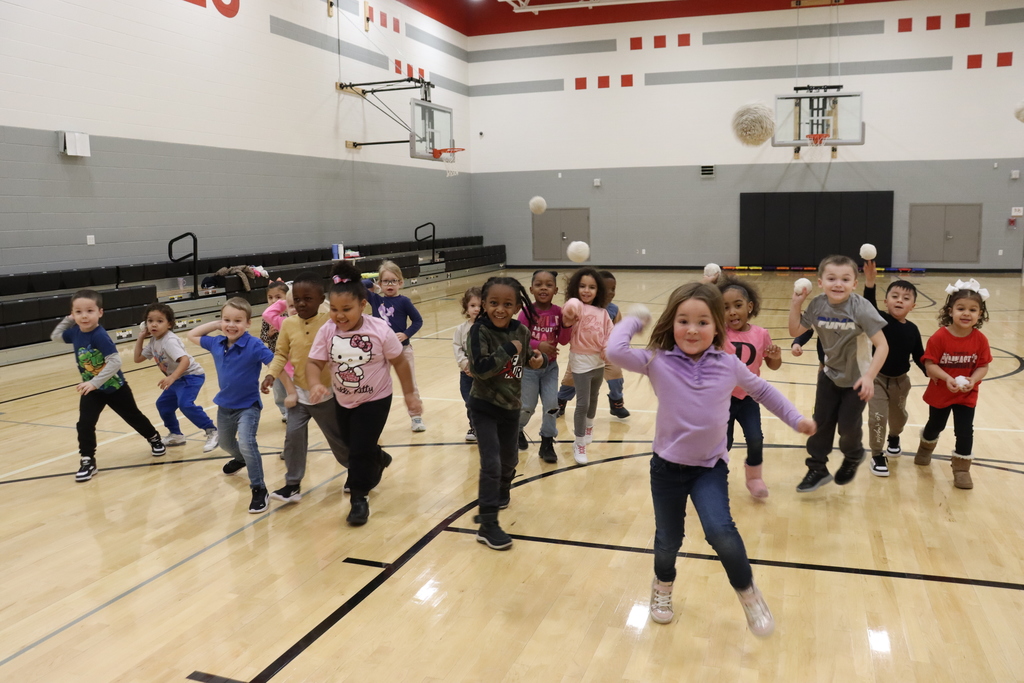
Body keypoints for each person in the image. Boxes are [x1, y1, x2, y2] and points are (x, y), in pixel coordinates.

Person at [607, 283, 815, 635]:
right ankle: (663, 587)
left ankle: (749, 595)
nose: (692, 329)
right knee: (668, 539)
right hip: (667, 470)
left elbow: (763, 391)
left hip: (709, 469)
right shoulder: (658, 361)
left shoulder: (728, 363)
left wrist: (796, 419)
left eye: (703, 322)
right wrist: (637, 319)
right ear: (672, 323)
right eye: (683, 320)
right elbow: (615, 350)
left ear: (718, 326)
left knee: (721, 531)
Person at [307, 263, 421, 526]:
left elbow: (400, 363)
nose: (339, 315)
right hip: (343, 399)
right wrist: (315, 384)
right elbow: (314, 363)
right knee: (351, 445)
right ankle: (378, 456)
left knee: (358, 450)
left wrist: (410, 395)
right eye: (334, 310)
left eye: (346, 309)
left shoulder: (379, 329)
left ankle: (359, 499)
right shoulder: (327, 330)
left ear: (363, 304)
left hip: (376, 399)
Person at [789, 255, 889, 492]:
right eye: (831, 278)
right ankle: (817, 468)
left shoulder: (861, 308)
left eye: (845, 279)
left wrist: (869, 377)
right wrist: (796, 304)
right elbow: (795, 329)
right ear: (821, 282)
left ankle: (854, 456)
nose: (838, 284)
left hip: (856, 381)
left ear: (855, 283)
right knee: (820, 425)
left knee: (848, 428)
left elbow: (883, 346)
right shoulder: (817, 305)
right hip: (829, 375)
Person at [51, 289, 166, 482]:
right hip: (92, 390)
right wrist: (68, 319)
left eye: (89, 311)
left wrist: (95, 382)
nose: (84, 316)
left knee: (133, 416)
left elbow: (115, 362)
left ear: (100, 313)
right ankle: (87, 460)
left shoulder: (99, 335)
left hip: (115, 388)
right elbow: (56, 336)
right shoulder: (75, 333)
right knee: (85, 424)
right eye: (78, 312)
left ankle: (154, 437)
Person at [467, 276, 546, 550]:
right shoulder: (479, 332)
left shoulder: (521, 331)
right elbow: (481, 368)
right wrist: (508, 349)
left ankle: (503, 488)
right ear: (485, 305)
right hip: (483, 407)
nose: (500, 309)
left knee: (509, 461)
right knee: (491, 463)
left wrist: (538, 359)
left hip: (511, 408)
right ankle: (487, 525)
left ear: (516, 308)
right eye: (493, 303)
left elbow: (526, 361)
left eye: (507, 304)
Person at [260, 272, 352, 504]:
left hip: (327, 394)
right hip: (299, 396)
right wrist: (271, 374)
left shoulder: (330, 322)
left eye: (307, 298)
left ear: (321, 298)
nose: (301, 304)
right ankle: (292, 484)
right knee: (293, 438)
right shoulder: (289, 324)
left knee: (338, 440)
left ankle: (357, 470)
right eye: (296, 299)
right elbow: (280, 354)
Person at [188, 298, 276, 513]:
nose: (231, 325)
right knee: (226, 443)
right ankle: (239, 459)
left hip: (248, 406)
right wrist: (219, 325)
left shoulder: (254, 344)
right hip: (225, 406)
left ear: (248, 323)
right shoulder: (217, 342)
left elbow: (273, 361)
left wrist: (270, 376)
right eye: (227, 319)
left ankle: (259, 488)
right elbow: (192, 335)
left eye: (238, 320)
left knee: (247, 442)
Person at [913, 279, 992, 489]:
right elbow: (930, 365)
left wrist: (973, 380)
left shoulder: (981, 340)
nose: (966, 313)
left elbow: (983, 366)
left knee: (965, 431)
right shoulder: (939, 337)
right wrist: (947, 378)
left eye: (973, 310)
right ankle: (925, 447)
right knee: (935, 426)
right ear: (950, 311)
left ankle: (962, 469)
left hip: (966, 395)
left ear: (980, 314)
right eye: (961, 308)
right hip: (941, 393)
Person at [716, 276, 781, 498]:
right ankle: (714, 478)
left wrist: (775, 357)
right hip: (722, 399)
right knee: (724, 441)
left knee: (755, 438)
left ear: (749, 306)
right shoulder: (718, 333)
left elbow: (772, 365)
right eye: (725, 308)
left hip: (749, 397)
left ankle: (754, 477)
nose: (732, 312)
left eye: (737, 305)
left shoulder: (761, 334)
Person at [861, 261, 926, 477]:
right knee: (877, 417)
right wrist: (870, 282)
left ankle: (894, 437)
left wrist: (932, 373)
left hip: (901, 382)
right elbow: (867, 305)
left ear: (913, 306)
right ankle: (878, 454)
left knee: (899, 417)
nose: (900, 300)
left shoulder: (913, 330)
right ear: (886, 301)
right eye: (895, 296)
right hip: (877, 380)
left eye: (906, 298)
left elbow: (919, 356)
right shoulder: (880, 320)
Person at [133, 302, 218, 453]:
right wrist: (141, 337)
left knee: (185, 404)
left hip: (190, 376)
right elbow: (137, 358)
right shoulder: (154, 341)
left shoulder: (169, 341)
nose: (154, 324)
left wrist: (171, 378)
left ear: (169, 324)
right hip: (177, 378)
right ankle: (176, 435)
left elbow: (184, 361)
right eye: (150, 321)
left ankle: (212, 431)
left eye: (159, 321)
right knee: (163, 405)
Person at [555, 271, 629, 420]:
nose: (610, 292)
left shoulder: (613, 310)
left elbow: (618, 331)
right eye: (607, 288)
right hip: (582, 353)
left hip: (604, 354)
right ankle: (561, 401)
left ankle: (616, 402)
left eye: (613, 289)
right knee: (570, 380)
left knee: (616, 376)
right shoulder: (580, 307)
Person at [560, 268, 614, 465]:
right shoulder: (576, 307)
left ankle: (589, 426)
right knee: (582, 403)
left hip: (598, 361)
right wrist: (572, 304)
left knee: (593, 397)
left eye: (591, 287)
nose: (586, 290)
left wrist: (607, 349)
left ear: (598, 290)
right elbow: (568, 312)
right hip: (580, 361)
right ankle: (579, 441)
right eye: (582, 286)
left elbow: (610, 333)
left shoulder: (603, 313)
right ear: (576, 288)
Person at [363, 260, 425, 432]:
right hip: (380, 352)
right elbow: (359, 286)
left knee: (410, 382)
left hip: (402, 350)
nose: (389, 285)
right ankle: (373, 419)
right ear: (380, 283)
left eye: (393, 281)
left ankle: (416, 416)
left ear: (400, 282)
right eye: (385, 281)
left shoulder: (404, 301)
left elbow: (418, 320)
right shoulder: (375, 300)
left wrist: (406, 334)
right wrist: (372, 285)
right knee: (376, 384)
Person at [516, 270, 569, 463]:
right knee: (527, 406)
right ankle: (517, 430)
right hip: (529, 369)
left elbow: (563, 341)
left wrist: (568, 324)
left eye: (548, 285)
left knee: (551, 406)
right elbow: (518, 338)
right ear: (531, 289)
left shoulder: (559, 312)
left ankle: (547, 441)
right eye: (539, 284)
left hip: (550, 369)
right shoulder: (526, 313)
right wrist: (539, 345)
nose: (543, 288)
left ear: (555, 290)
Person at [453, 286, 482, 443]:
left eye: (480, 305)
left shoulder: (488, 328)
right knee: (470, 402)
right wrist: (465, 364)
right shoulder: (461, 329)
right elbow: (457, 347)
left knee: (485, 403)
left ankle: (486, 428)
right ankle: (474, 427)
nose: (476, 309)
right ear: (466, 307)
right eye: (472, 305)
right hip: (467, 375)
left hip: (484, 376)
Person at [260, 280, 290, 422]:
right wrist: (270, 334)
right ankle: (284, 411)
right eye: (270, 297)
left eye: (278, 297)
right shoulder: (267, 318)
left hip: (290, 359)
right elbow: (262, 337)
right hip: (273, 357)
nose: (274, 301)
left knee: (292, 385)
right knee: (278, 388)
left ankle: (296, 410)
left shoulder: (290, 315)